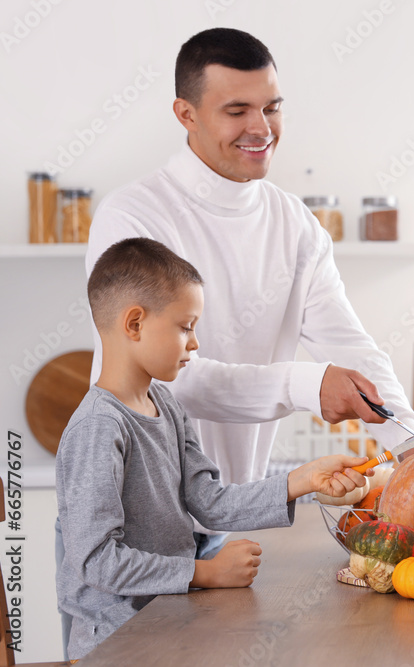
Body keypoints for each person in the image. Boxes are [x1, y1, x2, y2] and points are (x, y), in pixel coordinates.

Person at [56, 238, 371, 659]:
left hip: (169, 622)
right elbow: (97, 561)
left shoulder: (166, 405)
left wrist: (303, 480)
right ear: (134, 324)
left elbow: (209, 502)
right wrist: (205, 573)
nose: (195, 343)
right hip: (116, 644)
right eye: (185, 326)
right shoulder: (99, 427)